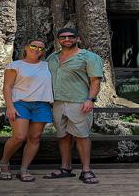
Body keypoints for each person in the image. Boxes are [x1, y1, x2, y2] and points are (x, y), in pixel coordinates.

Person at [44, 27, 103, 185]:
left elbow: (95, 81)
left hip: (79, 102)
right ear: (58, 40)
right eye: (63, 37)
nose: (67, 39)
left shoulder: (89, 57)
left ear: (78, 39)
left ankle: (86, 170)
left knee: (82, 136)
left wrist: (90, 99)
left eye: (71, 37)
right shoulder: (52, 58)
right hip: (56, 102)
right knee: (62, 136)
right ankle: (65, 168)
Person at [0, 38, 53, 182]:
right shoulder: (15, 65)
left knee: (35, 138)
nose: (37, 50)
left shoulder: (47, 66)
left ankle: (24, 169)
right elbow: (7, 87)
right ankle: (3, 163)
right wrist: (9, 106)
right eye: (34, 46)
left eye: (41, 48)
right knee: (19, 136)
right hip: (20, 103)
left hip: (42, 105)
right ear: (26, 47)